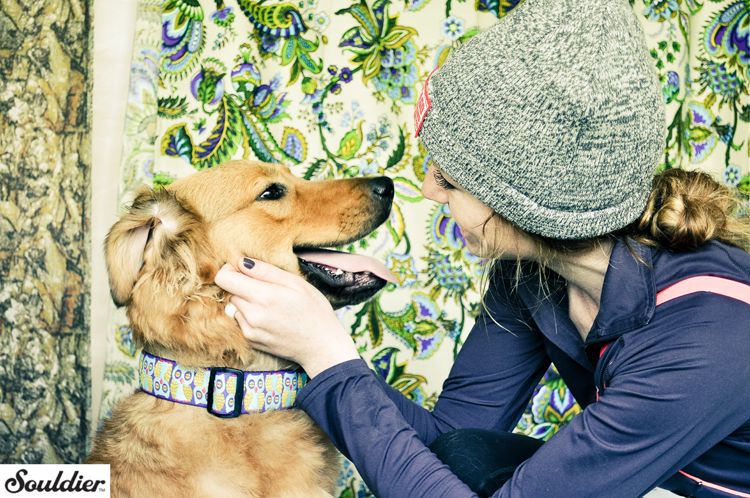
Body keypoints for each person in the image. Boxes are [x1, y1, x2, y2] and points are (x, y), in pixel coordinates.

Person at [214, 0, 750, 496]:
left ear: (523, 203)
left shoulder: (711, 335)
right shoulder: (531, 273)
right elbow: (448, 437)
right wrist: (316, 346)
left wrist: (325, 355)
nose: (427, 189)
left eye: (448, 179)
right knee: (464, 454)